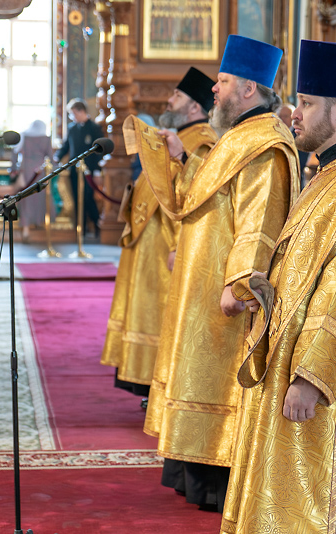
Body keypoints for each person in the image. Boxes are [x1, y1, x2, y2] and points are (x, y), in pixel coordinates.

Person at [221, 39, 336, 533]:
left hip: (324, 385)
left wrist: (311, 378)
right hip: (287, 357)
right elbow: (308, 268)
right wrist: (268, 287)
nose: (294, 112)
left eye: (306, 104)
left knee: (316, 500)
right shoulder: (330, 172)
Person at [139, 35, 300, 512]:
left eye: (223, 81)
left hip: (225, 299)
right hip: (198, 286)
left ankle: (216, 481)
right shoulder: (236, 138)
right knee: (196, 375)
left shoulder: (266, 145)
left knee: (218, 384)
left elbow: (260, 220)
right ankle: (194, 474)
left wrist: (241, 282)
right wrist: (182, 161)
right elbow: (209, 198)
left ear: (249, 88)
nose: (214, 88)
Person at [101, 67, 218, 397]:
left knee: (161, 315)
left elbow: (199, 197)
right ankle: (145, 383)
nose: (168, 100)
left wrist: (181, 245)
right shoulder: (180, 134)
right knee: (146, 311)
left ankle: (160, 385)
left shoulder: (204, 142)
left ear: (195, 106)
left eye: (177, 96)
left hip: (168, 244)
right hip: (148, 243)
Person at [54, 98, 105, 237]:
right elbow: (65, 147)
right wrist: (56, 157)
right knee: (77, 198)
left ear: (81, 111)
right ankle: (81, 229)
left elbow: (99, 152)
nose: (72, 117)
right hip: (74, 170)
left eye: (74, 113)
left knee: (88, 198)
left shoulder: (94, 128)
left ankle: (96, 225)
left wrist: (97, 171)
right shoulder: (71, 128)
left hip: (89, 170)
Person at [10, 120, 54, 242]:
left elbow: (14, 153)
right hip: (40, 173)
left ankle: (26, 230)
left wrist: (13, 169)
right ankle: (40, 224)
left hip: (26, 171)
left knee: (26, 200)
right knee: (39, 199)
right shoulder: (46, 139)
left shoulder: (24, 136)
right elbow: (51, 157)